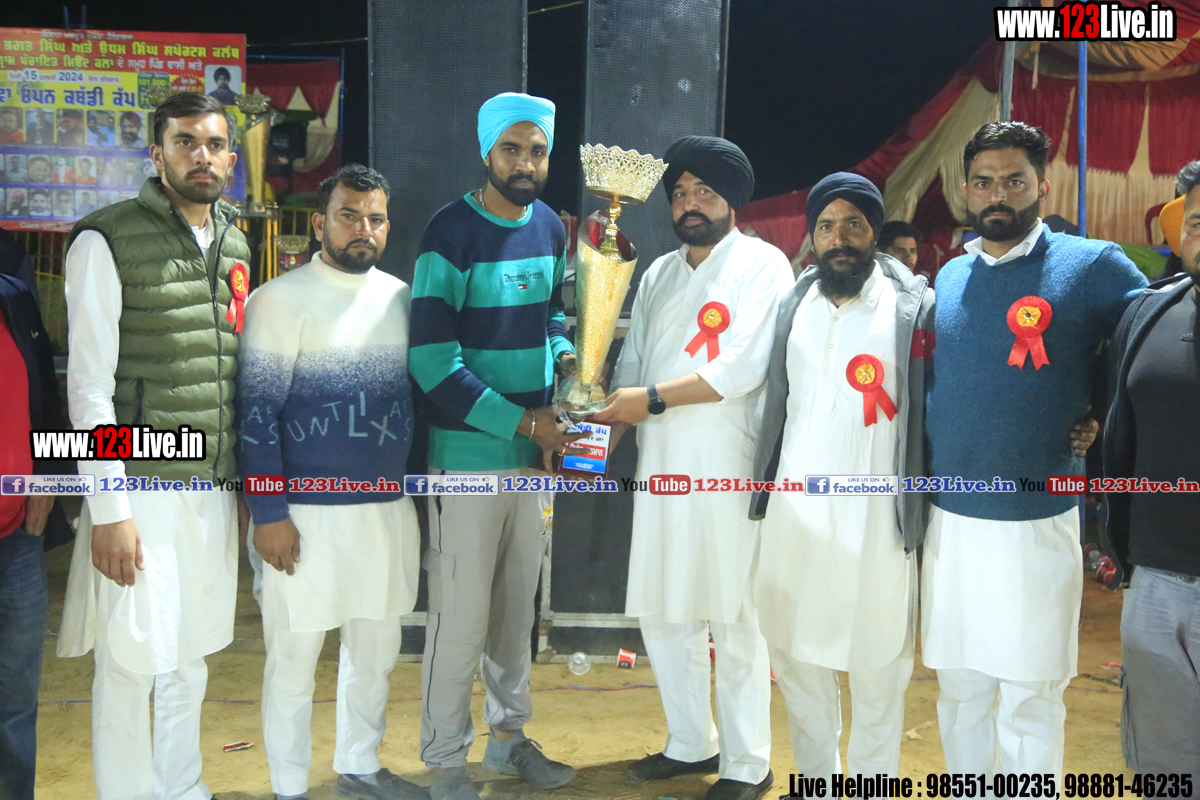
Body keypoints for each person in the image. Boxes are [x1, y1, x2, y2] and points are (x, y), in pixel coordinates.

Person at [922, 121, 1147, 778]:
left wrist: (1103, 412)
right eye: (984, 181)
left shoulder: (1092, 265)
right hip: (950, 518)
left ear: (1043, 186)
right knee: (961, 688)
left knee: (1030, 692)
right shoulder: (952, 274)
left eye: (1014, 180)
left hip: (1037, 517)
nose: (998, 194)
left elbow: (1151, 335)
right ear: (967, 189)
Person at [57, 91, 249, 800]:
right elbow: (89, 390)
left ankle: (182, 786)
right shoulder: (104, 240)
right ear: (157, 154)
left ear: (230, 157)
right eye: (185, 142)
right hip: (142, 488)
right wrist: (110, 509)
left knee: (189, 654)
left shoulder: (233, 241)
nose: (202, 156)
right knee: (131, 658)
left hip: (210, 486)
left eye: (214, 144)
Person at [593, 136, 793, 800]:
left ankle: (748, 763)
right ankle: (690, 742)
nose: (689, 204)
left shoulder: (764, 264)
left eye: (704, 191)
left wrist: (648, 400)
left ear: (732, 198)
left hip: (728, 470)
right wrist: (596, 442)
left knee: (734, 618)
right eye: (679, 193)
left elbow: (743, 368)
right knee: (665, 610)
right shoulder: (658, 273)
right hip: (661, 468)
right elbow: (633, 367)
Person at [408, 91, 584, 800]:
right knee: (459, 623)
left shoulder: (549, 228)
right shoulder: (449, 232)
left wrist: (569, 364)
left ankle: (508, 742)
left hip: (532, 462)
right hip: (467, 462)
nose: (524, 163)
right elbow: (431, 362)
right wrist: (525, 423)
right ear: (487, 152)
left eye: (537, 151)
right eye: (511, 149)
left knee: (516, 618)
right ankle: (446, 763)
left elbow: (555, 317)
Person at [238, 164, 427, 800]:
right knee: (292, 662)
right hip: (303, 518)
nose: (362, 228)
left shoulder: (402, 299)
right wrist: (269, 515)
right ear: (320, 223)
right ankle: (289, 785)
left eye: (375, 218)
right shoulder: (277, 300)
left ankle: (360, 765)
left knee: (375, 653)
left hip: (385, 510)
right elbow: (256, 416)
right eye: (349, 215)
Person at [749, 174, 931, 779]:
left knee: (879, 668)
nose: (839, 237)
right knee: (797, 661)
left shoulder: (911, 307)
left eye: (853, 223)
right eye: (826, 225)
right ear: (813, 235)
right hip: (795, 516)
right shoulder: (794, 303)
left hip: (875, 521)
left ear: (874, 231)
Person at [1100, 159, 1200, 781]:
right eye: (1198, 222)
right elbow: (1120, 432)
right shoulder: (1148, 314)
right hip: (1156, 584)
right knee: (1165, 771)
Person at [0, 268, 75, 800]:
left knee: (16, 700)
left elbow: (47, 398)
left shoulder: (13, 296)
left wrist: (48, 478)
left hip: (18, 535)